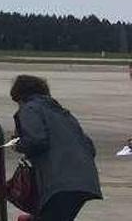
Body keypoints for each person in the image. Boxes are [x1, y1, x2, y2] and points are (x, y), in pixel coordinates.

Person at [11, 75, 102, 221]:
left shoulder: (30, 108)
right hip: (84, 181)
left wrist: (17, 144)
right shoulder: (61, 113)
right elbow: (90, 147)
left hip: (60, 185)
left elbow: (36, 140)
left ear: (20, 96)